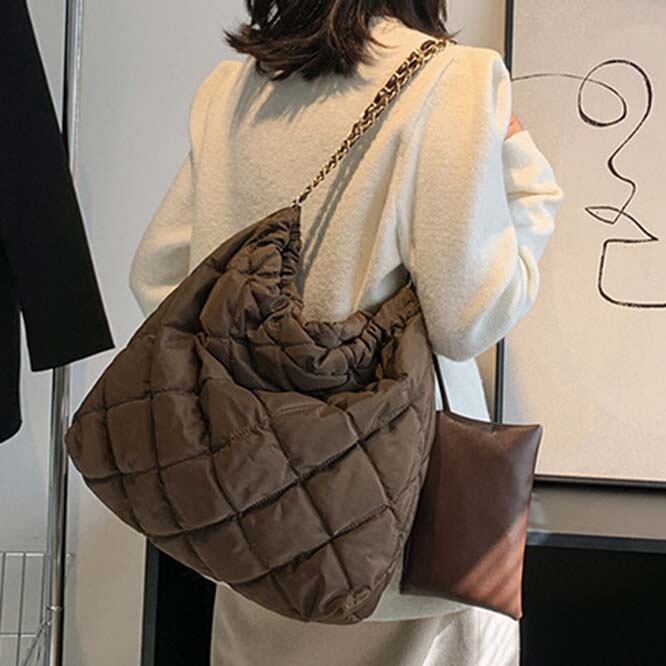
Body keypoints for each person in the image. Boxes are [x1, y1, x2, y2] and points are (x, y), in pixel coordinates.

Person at [129, 2, 563, 664]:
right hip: (406, 540)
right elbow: (468, 316)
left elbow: (159, 278)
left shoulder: (233, 91)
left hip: (256, 518)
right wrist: (529, 187)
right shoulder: (456, 79)